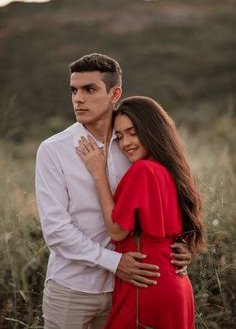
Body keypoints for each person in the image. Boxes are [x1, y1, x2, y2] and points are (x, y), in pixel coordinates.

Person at [35, 53, 192, 329]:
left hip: (129, 288)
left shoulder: (133, 147)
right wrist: (115, 262)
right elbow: (56, 232)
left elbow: (164, 198)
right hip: (72, 288)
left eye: (89, 89)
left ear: (114, 93)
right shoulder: (53, 150)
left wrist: (181, 246)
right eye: (74, 90)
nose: (78, 99)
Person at [77, 96, 205, 329]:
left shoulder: (142, 170)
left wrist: (98, 174)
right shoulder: (172, 169)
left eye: (133, 132)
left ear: (151, 130)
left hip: (146, 281)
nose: (125, 143)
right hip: (175, 282)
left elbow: (116, 232)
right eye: (119, 136)